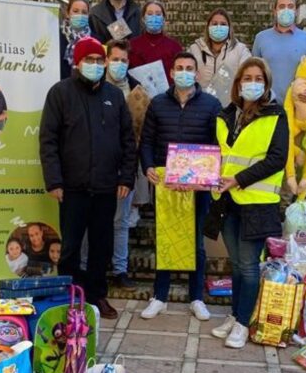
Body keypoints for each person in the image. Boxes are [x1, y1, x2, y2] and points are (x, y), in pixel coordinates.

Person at [40, 36, 137, 319]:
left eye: (99, 60)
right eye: (89, 60)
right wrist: (54, 181)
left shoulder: (114, 96)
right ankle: (69, 299)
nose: (94, 65)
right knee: (70, 248)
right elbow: (48, 140)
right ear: (77, 62)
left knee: (101, 246)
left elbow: (127, 140)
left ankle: (97, 297)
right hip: (72, 187)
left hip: (107, 186)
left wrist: (126, 178)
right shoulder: (60, 93)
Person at [210, 58, 289, 348]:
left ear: (266, 84)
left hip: (256, 202)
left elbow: (276, 158)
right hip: (227, 200)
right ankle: (234, 314)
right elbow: (216, 154)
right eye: (247, 78)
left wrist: (239, 179)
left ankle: (244, 324)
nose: (251, 83)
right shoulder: (226, 114)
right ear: (238, 83)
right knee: (236, 263)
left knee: (249, 265)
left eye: (258, 78)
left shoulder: (276, 115)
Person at [139, 52, 222, 322]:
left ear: (197, 74)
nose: (184, 72)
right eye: (179, 68)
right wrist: (148, 166)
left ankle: (196, 297)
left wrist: (203, 178)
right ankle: (159, 297)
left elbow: (217, 146)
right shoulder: (158, 104)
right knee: (165, 239)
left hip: (197, 189)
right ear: (171, 73)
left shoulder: (211, 105)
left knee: (196, 242)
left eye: (189, 68)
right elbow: (147, 141)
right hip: (166, 185)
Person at [104, 39, 152, 289]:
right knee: (96, 222)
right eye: (115, 59)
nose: (119, 64)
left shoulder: (138, 92)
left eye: (124, 60)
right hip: (99, 167)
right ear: (105, 60)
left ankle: (120, 270)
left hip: (126, 165)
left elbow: (142, 133)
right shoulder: (95, 88)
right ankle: (93, 267)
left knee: (121, 222)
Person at [251, 0, 306, 104]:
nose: (286, 10)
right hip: (267, 105)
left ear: (296, 11)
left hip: (298, 105)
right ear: (275, 11)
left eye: (290, 6)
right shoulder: (261, 38)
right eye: (282, 6)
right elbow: (253, 72)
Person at [189, 8, 253, 106]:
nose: (218, 27)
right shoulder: (194, 49)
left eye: (223, 24)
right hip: (199, 107)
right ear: (208, 27)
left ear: (229, 28)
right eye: (214, 24)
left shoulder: (241, 50)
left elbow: (247, 78)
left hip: (230, 109)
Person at [129, 0, 182, 85]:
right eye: (149, 14)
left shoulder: (174, 47)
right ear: (143, 18)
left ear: (163, 19)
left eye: (158, 14)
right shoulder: (132, 45)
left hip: (167, 96)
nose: (154, 17)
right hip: (139, 95)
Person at [59, 0, 92, 79]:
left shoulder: (95, 40)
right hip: (59, 87)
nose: (80, 15)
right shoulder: (56, 36)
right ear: (67, 13)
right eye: (75, 11)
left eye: (84, 12)